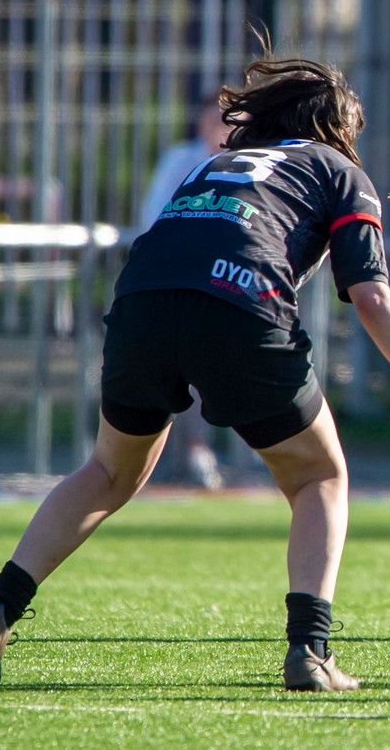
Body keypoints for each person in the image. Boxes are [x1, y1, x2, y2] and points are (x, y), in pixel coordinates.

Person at [0, 57, 390, 693]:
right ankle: (310, 652)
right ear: (338, 128)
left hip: (140, 301)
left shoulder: (215, 164)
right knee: (319, 473)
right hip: (237, 305)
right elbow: (370, 297)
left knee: (108, 470)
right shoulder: (340, 170)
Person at [131, 99, 233, 490]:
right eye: (213, 119)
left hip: (230, 288)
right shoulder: (182, 161)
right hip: (180, 285)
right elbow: (154, 216)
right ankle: (190, 453)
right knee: (182, 374)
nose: (219, 128)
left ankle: (259, 453)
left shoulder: (253, 161)